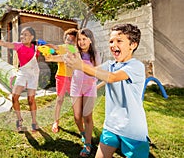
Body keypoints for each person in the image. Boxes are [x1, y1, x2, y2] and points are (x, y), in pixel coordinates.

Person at [64, 24, 150, 158]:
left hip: (133, 130)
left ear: (133, 45)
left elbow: (111, 77)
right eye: (111, 41)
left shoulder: (136, 66)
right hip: (111, 126)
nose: (113, 44)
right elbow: (94, 73)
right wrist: (73, 61)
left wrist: (80, 65)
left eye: (119, 41)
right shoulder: (110, 65)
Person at [0, 26, 40, 132]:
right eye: (22, 34)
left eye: (26, 34)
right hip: (22, 73)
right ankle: (19, 120)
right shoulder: (19, 46)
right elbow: (3, 43)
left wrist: (48, 49)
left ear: (32, 37)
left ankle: (34, 121)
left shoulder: (36, 47)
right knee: (14, 97)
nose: (22, 36)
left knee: (31, 99)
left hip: (33, 75)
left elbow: (49, 52)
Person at [70, 28, 100, 157]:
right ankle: (83, 133)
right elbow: (62, 55)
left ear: (90, 40)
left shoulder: (95, 54)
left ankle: (88, 144)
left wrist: (93, 80)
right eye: (79, 39)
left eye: (84, 39)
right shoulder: (75, 53)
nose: (81, 42)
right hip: (76, 87)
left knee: (87, 116)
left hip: (89, 88)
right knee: (77, 117)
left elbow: (98, 70)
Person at [44, 28, 78, 133]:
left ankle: (79, 120)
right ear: (65, 40)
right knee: (59, 100)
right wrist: (47, 49)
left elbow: (71, 54)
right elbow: (54, 49)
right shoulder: (62, 47)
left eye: (72, 40)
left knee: (75, 101)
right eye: (68, 40)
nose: (69, 42)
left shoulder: (74, 50)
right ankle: (56, 121)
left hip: (73, 78)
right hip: (61, 77)